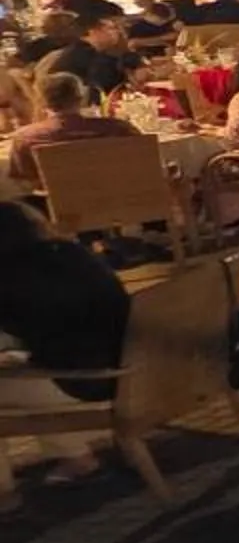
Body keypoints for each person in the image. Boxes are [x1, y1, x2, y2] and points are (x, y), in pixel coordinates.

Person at [0, 202, 134, 482]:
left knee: (14, 377)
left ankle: (4, 487)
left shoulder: (11, 277)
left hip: (88, 384)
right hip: (132, 371)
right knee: (23, 365)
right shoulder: (74, 255)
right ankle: (76, 457)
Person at [7, 72, 141, 186]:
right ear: (81, 99)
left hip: (57, 207)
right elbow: (143, 162)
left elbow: (24, 181)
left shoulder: (26, 138)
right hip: (119, 202)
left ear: (41, 102)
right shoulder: (120, 129)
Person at [42, 16, 134, 100]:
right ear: (92, 31)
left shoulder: (82, 51)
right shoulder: (84, 55)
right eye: (110, 28)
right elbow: (101, 89)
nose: (117, 32)